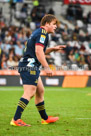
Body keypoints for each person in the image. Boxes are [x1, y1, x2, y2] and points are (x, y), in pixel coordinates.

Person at [10, 14, 65, 127]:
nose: (55, 27)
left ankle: (45, 118)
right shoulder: (42, 33)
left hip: (30, 65)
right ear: (47, 24)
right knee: (30, 92)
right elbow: (38, 52)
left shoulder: (38, 32)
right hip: (29, 66)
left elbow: (38, 50)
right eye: (54, 24)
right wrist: (46, 67)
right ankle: (16, 119)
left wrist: (52, 49)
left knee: (40, 91)